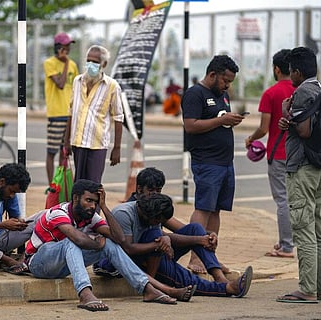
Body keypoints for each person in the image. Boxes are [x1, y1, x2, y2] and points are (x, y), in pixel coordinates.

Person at [7, 179, 198, 312]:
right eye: (88, 200)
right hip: (39, 264)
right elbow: (80, 240)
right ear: (75, 199)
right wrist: (97, 243)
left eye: (95, 202)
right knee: (72, 242)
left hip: (62, 265)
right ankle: (85, 294)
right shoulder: (58, 213)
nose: (92, 206)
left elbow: (120, 239)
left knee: (110, 244)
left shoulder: (92, 216)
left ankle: (146, 289)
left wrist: (105, 208)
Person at [94, 167, 230, 283]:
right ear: (140, 189)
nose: (155, 194)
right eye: (151, 191)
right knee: (183, 278)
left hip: (158, 253)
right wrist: (165, 241)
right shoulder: (128, 211)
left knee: (196, 229)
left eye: (158, 191)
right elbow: (132, 247)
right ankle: (152, 286)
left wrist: (204, 237)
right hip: (141, 257)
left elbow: (182, 231)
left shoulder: (156, 207)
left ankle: (217, 274)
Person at [112, 193, 253, 298]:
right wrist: (160, 243)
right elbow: (128, 249)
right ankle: (227, 288)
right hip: (134, 259)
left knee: (196, 229)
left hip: (154, 252)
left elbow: (175, 234)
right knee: (180, 275)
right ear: (153, 217)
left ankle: (219, 276)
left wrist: (203, 238)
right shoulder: (124, 214)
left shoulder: (153, 212)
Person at [276, 47, 321, 303]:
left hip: (302, 167)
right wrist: (291, 117)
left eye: (290, 73)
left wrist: (289, 111)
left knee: (303, 227)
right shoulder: (320, 88)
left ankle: (307, 289)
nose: (290, 77)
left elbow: (305, 131)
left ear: (297, 72)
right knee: (320, 227)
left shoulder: (302, 92)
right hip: (319, 167)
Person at [182, 54, 245, 274]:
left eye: (230, 82)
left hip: (225, 162)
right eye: (225, 80)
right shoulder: (195, 94)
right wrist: (221, 120)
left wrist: (230, 120)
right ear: (212, 74)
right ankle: (195, 258)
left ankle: (211, 258)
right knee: (203, 208)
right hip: (206, 162)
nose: (227, 85)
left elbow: (218, 120)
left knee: (216, 210)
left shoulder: (223, 95)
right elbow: (190, 125)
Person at [245, 49, 295, 258]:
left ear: (276, 69)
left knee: (282, 200)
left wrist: (250, 138)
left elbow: (264, 129)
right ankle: (293, 240)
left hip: (278, 153)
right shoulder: (300, 90)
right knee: (297, 200)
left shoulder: (271, 93)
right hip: (298, 154)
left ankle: (286, 246)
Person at [64, 45, 124, 183]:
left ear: (104, 64)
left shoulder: (112, 86)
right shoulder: (77, 82)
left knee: (93, 185)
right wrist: (66, 141)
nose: (91, 65)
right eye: (89, 60)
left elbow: (118, 118)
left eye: (95, 62)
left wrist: (117, 148)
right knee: (78, 185)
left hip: (97, 145)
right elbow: (71, 112)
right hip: (77, 143)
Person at [44, 32, 79, 185]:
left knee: (64, 152)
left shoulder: (73, 65)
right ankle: (51, 184)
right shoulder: (50, 63)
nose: (68, 48)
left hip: (70, 113)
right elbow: (60, 84)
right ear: (58, 47)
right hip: (56, 112)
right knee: (52, 151)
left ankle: (60, 183)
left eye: (69, 45)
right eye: (65, 46)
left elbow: (76, 87)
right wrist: (64, 64)